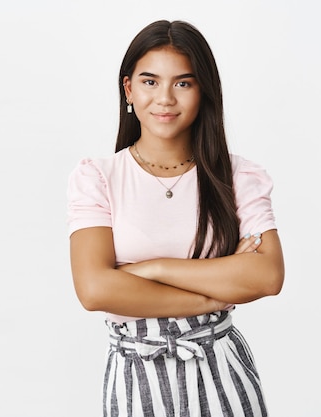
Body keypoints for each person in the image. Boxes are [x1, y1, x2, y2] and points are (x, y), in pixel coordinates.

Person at [66, 20, 284, 417]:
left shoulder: (238, 177)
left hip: (221, 371)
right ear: (129, 89)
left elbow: (266, 277)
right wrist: (215, 292)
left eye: (183, 83)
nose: (165, 98)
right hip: (135, 375)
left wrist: (151, 269)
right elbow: (94, 289)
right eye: (150, 82)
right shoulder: (98, 177)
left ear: (204, 92)